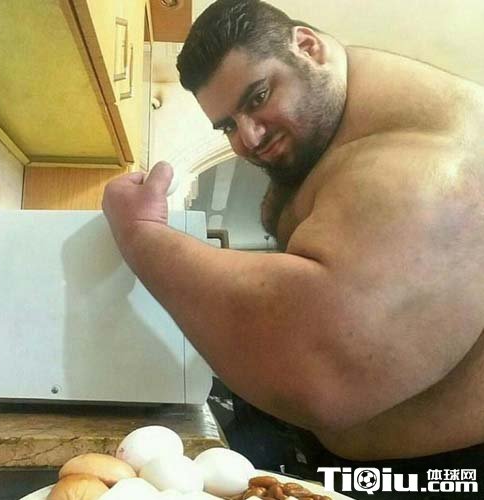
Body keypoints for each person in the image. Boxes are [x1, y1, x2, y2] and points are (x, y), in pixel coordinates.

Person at [103, 0, 484, 490]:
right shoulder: (340, 135)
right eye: (227, 125)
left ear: (307, 46)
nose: (249, 137)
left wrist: (141, 233)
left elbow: (320, 371)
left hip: (440, 475)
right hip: (357, 457)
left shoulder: (430, 165)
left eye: (257, 97)